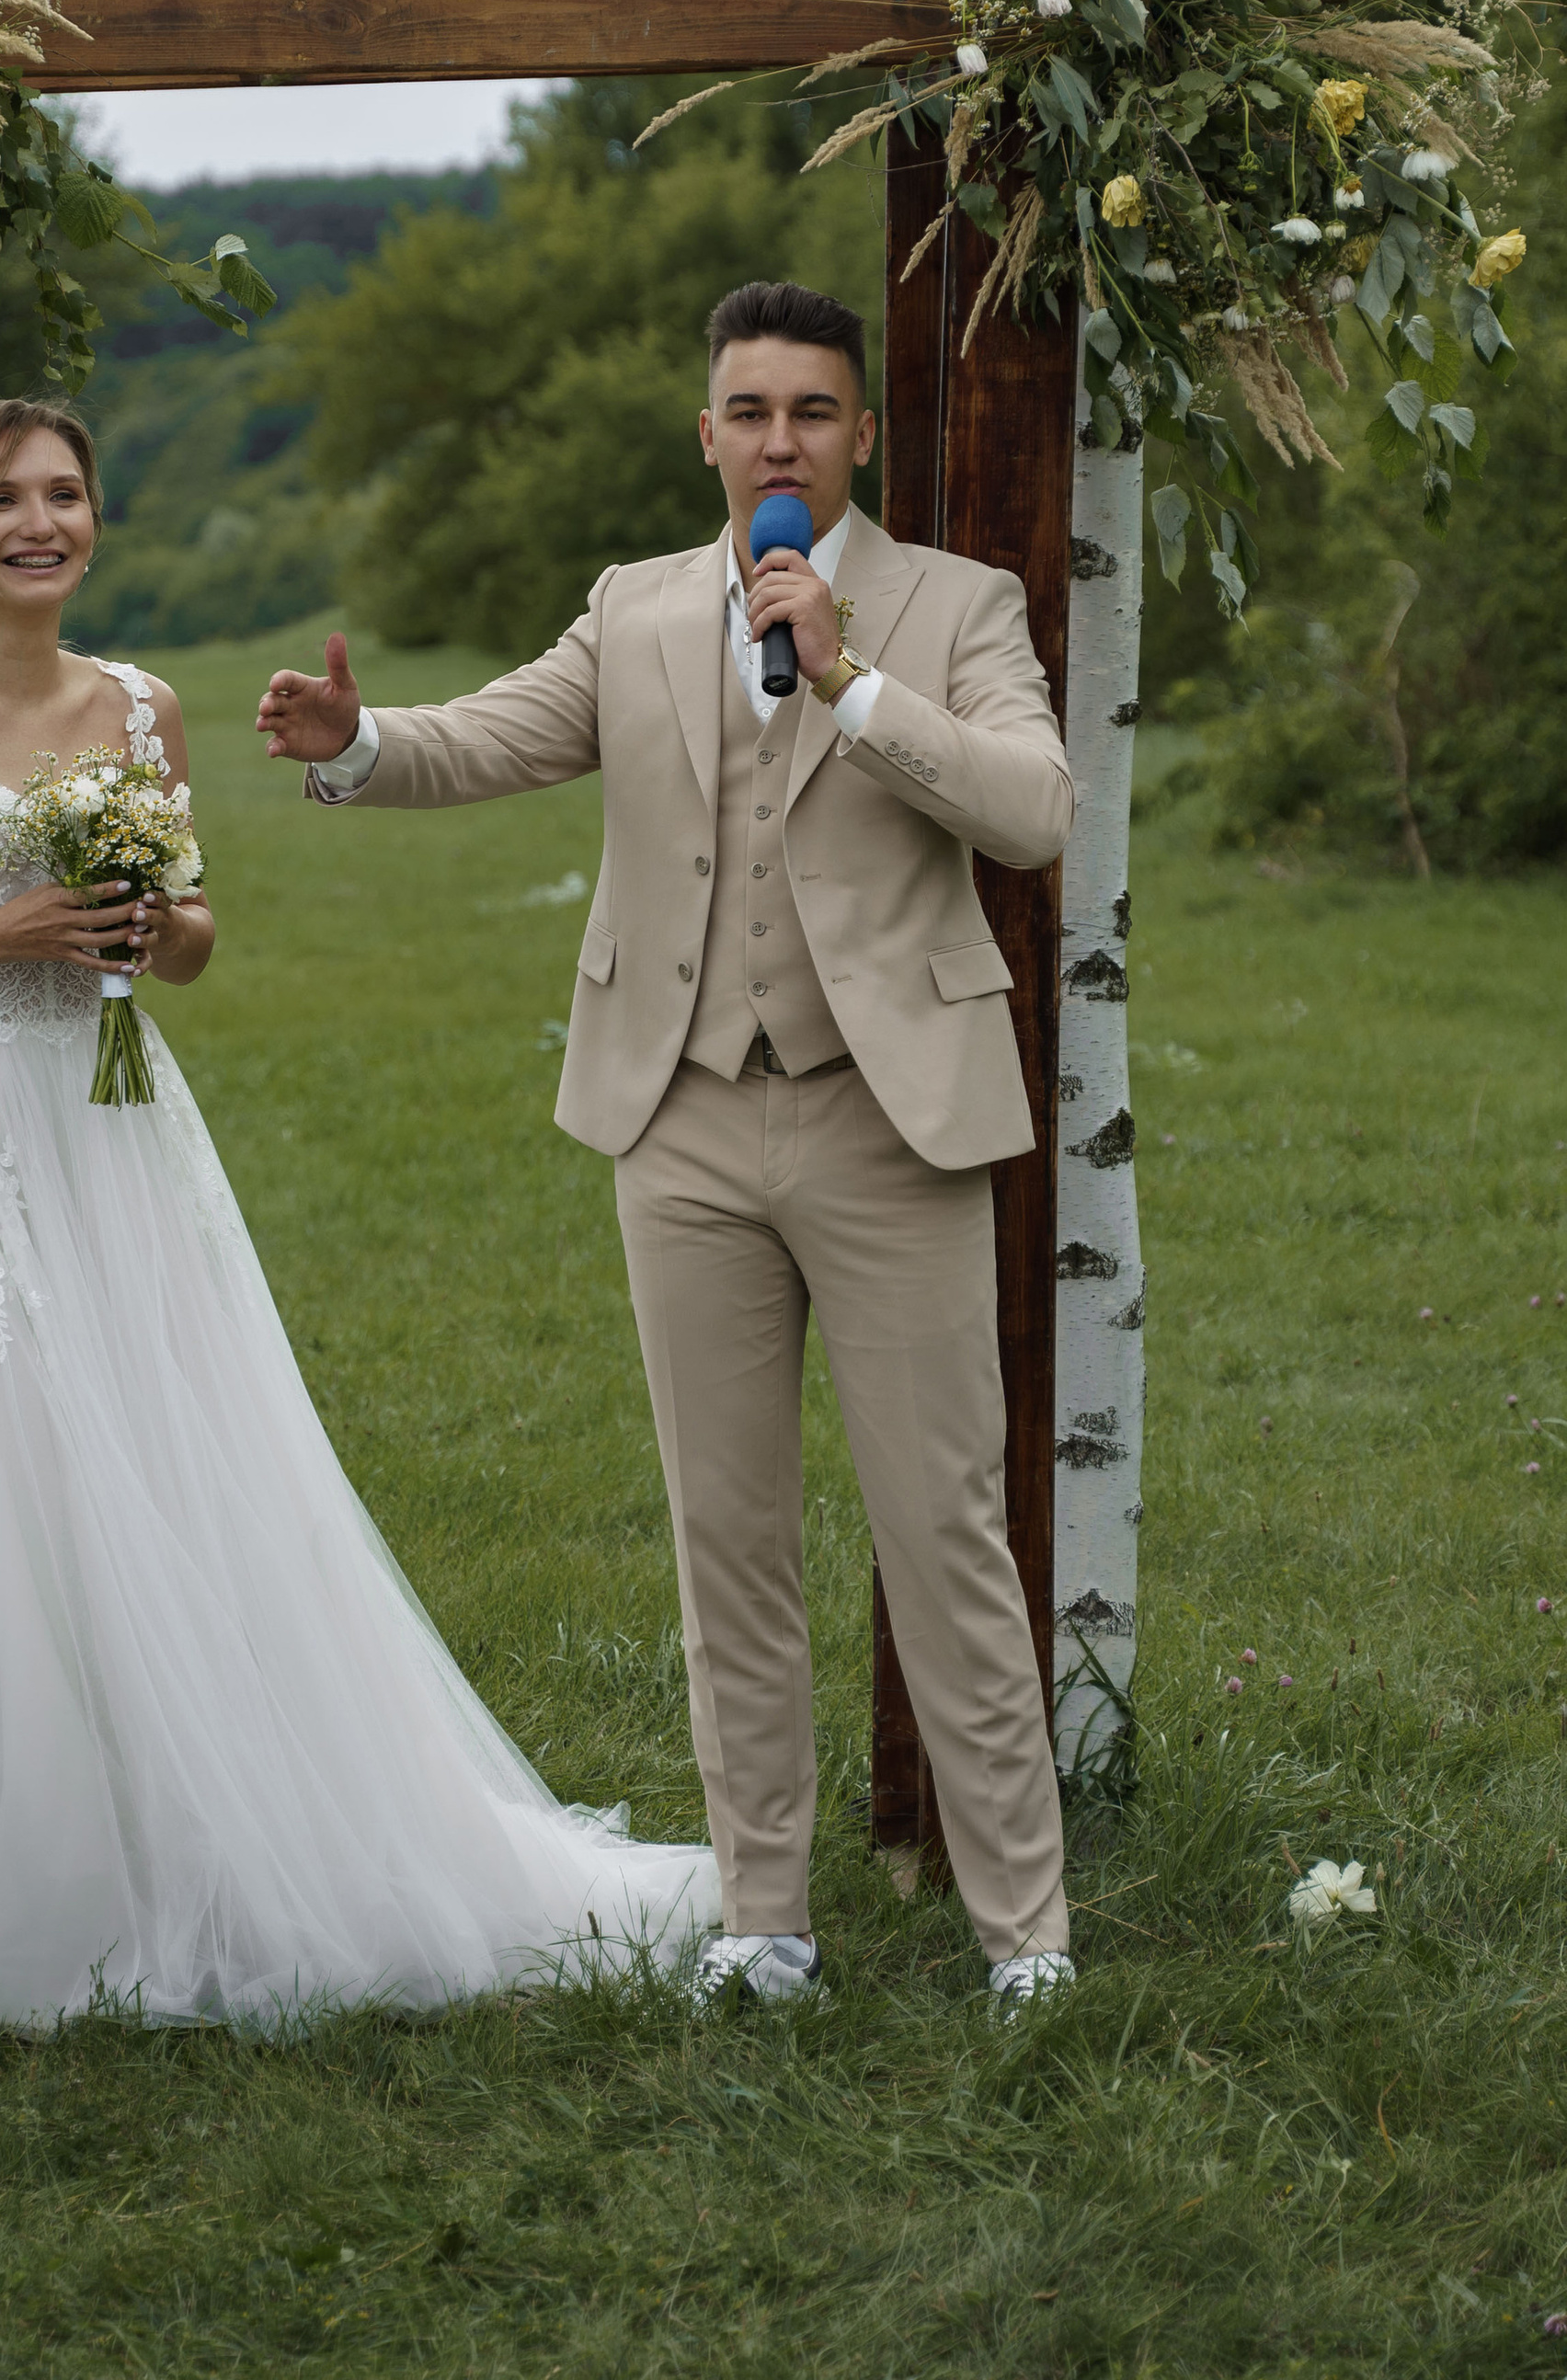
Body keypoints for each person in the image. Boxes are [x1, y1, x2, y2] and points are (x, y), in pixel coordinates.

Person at [0, 394, 716, 2028]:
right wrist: (2, 933)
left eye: (66, 493)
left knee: (161, 1459)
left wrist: (148, 930)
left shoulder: (142, 707)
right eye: (2, 503)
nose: (39, 523)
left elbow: (192, 938)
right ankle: (13, 1846)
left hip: (112, 1126)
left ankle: (200, 1831)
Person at [257, 280, 1078, 2010]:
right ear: (706, 432)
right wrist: (359, 749)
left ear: (857, 435)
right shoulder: (633, 611)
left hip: (892, 1122)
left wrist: (851, 684)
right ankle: (764, 1923)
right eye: (751, 410)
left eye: (814, 413)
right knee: (730, 1536)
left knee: (943, 1534)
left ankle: (1028, 1938)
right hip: (679, 1115)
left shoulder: (956, 601)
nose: (781, 440)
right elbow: (493, 736)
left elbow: (1031, 809)